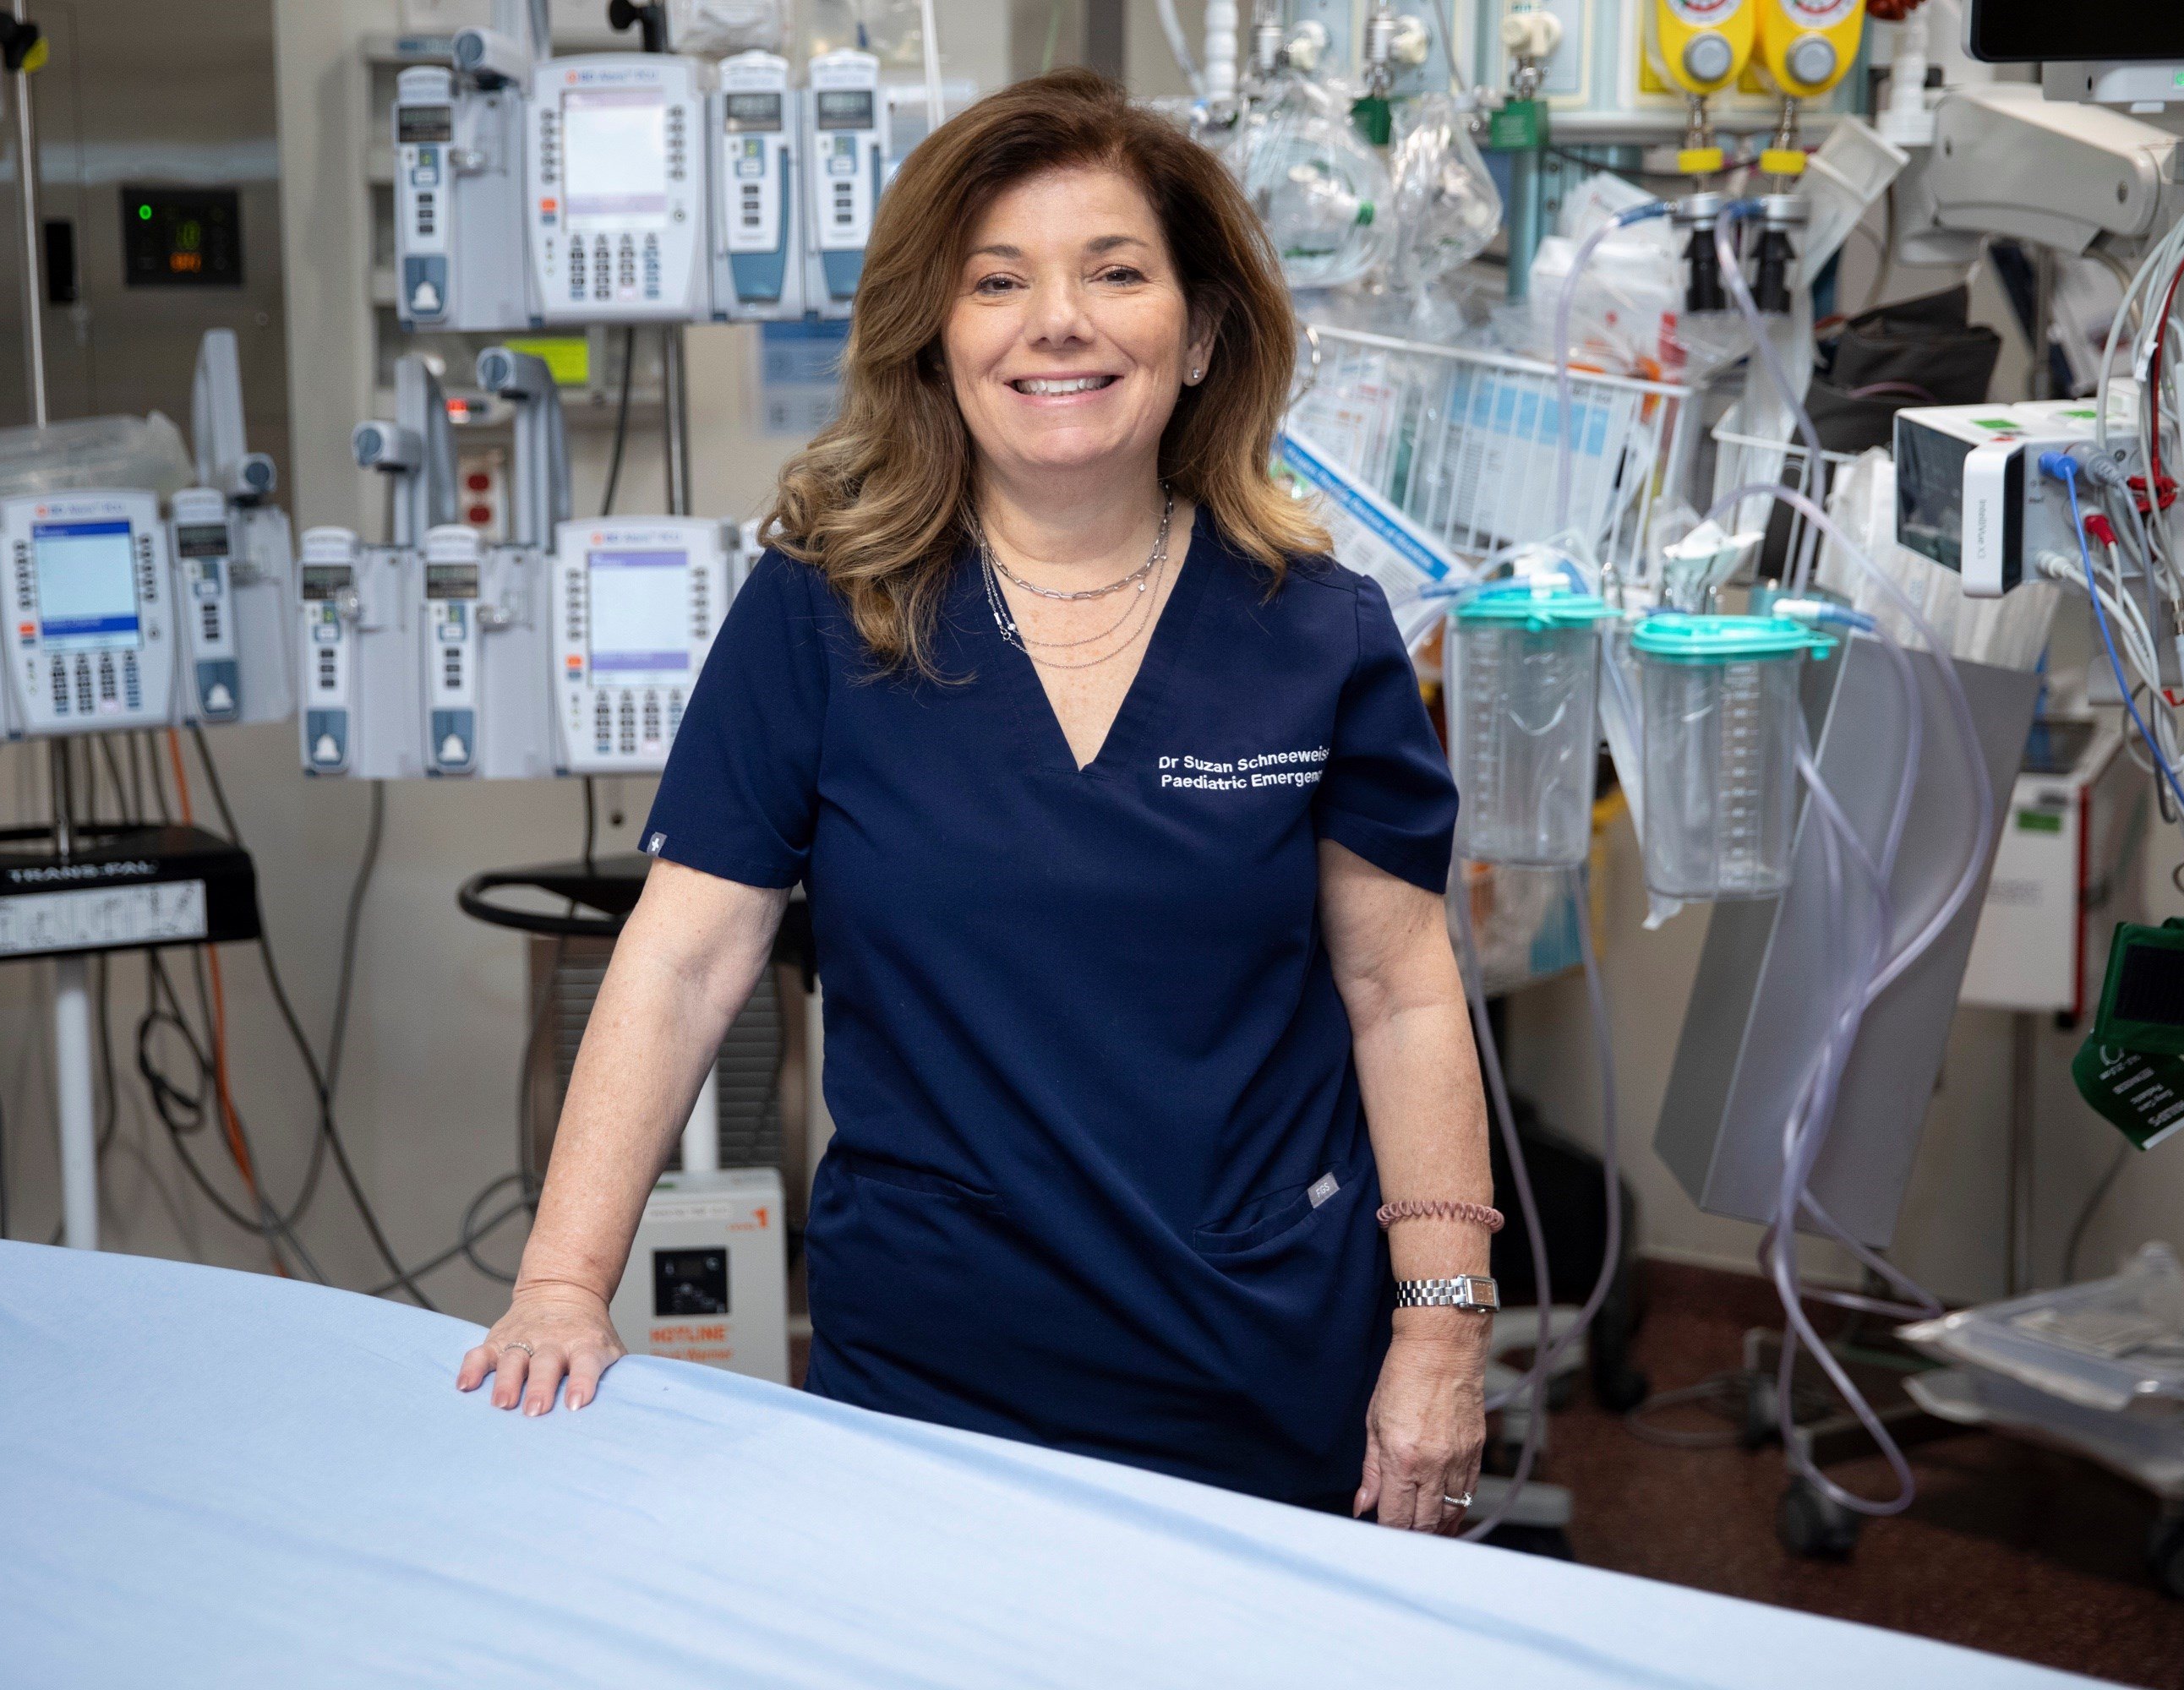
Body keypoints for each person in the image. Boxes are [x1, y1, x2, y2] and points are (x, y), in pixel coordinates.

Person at [459, 68, 1501, 1532]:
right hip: (935, 1378)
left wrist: (1443, 1333)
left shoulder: (1315, 628)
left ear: (1199, 333)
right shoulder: (825, 617)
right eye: (996, 279)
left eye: (1115, 272)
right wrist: (562, 1286)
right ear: (936, 339)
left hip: (1260, 1357)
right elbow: (686, 960)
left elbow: (1400, 993)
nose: (1055, 320)